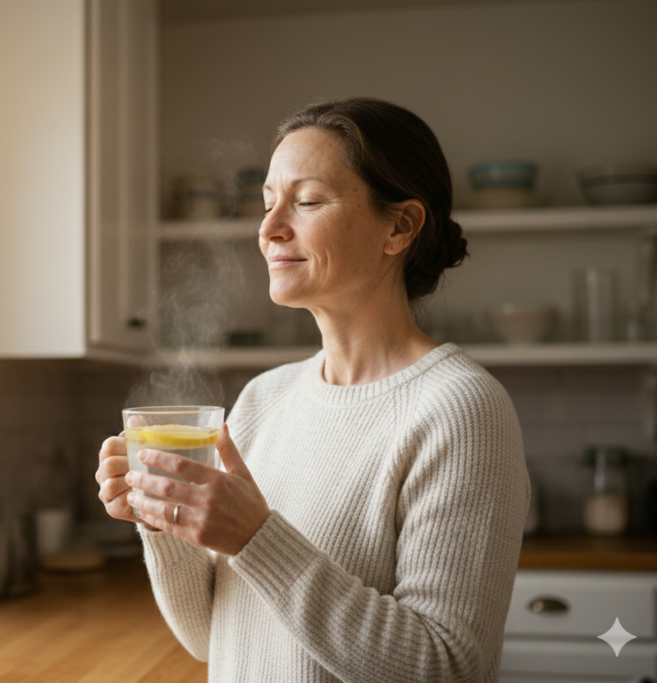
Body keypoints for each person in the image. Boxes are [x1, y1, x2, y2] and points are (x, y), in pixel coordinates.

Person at [95, 97, 529, 683]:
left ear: (400, 226)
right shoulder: (263, 399)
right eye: (268, 202)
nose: (269, 229)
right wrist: (162, 517)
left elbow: (447, 667)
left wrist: (256, 538)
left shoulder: (461, 409)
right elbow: (210, 637)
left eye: (306, 202)